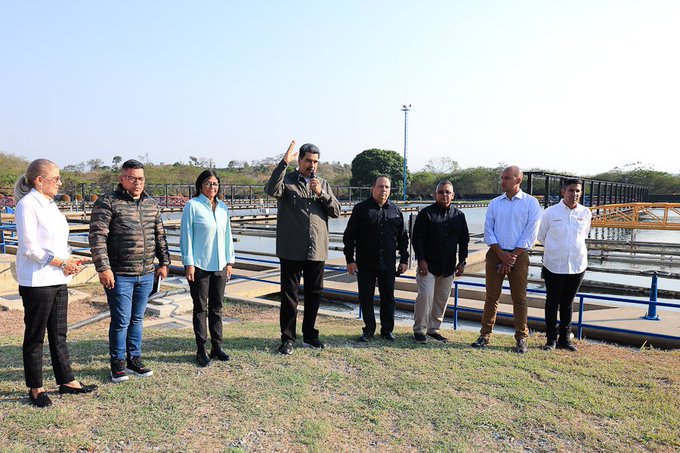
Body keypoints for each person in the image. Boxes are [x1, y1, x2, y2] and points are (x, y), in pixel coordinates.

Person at [14, 159, 97, 407]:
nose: (60, 182)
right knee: (35, 335)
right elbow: (29, 247)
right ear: (40, 180)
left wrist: (69, 259)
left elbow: (58, 241)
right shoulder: (27, 205)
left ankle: (66, 380)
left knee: (59, 333)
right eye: (56, 177)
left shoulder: (50, 205)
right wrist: (60, 262)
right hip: (38, 280)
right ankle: (36, 387)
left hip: (57, 278)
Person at [89, 159, 170, 382]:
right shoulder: (108, 202)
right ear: (122, 178)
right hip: (120, 274)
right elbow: (97, 237)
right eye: (132, 178)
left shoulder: (150, 204)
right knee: (121, 319)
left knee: (137, 319)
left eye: (141, 178)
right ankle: (118, 362)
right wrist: (103, 268)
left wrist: (164, 262)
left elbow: (160, 235)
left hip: (145, 272)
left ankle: (134, 359)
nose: (137, 182)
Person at [265, 141, 341, 355]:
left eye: (315, 161)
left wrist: (321, 193)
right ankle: (288, 338)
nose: (312, 165)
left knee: (314, 294)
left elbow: (336, 211)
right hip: (291, 250)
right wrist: (283, 163)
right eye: (308, 160)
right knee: (289, 296)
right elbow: (271, 189)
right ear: (299, 161)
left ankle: (310, 335)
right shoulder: (287, 181)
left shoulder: (323, 184)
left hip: (316, 250)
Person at [472, 166, 541, 353]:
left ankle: (521, 338)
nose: (503, 181)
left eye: (507, 178)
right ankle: (485, 334)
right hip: (496, 253)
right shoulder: (495, 203)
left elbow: (530, 233)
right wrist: (503, 256)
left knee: (519, 298)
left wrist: (512, 257)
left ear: (518, 180)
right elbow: (489, 230)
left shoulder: (530, 203)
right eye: (502, 178)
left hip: (519, 255)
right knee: (491, 297)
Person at [342, 175, 409, 342]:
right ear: (373, 188)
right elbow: (349, 237)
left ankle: (387, 330)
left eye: (387, 187)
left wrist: (404, 260)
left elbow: (402, 238)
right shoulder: (361, 209)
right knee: (366, 297)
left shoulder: (396, 211)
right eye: (380, 186)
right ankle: (369, 329)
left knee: (388, 298)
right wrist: (350, 260)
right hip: (365, 263)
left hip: (387, 263)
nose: (384, 190)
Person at [180, 170, 235, 367]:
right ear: (200, 186)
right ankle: (201, 349)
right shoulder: (192, 206)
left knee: (217, 308)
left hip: (220, 265)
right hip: (200, 266)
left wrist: (230, 262)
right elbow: (186, 236)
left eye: (215, 184)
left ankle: (217, 346)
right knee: (200, 308)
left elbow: (228, 236)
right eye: (208, 183)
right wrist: (189, 263)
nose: (212, 187)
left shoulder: (222, 208)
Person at [412, 181, 469, 344]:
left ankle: (433, 329)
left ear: (453, 195)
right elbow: (417, 239)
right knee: (425, 297)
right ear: (435, 194)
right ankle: (419, 330)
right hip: (428, 265)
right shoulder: (426, 214)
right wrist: (421, 260)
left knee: (441, 299)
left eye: (447, 192)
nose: (444, 195)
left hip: (448, 266)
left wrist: (462, 261)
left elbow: (464, 241)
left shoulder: (459, 216)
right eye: (441, 192)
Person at [537, 179, 591, 352]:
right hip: (554, 264)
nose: (574, 194)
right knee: (552, 302)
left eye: (577, 191)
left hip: (577, 264)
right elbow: (541, 236)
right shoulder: (550, 213)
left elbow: (584, 235)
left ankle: (565, 339)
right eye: (570, 190)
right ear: (563, 192)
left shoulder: (586, 213)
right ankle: (551, 339)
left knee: (568, 302)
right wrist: (558, 249)